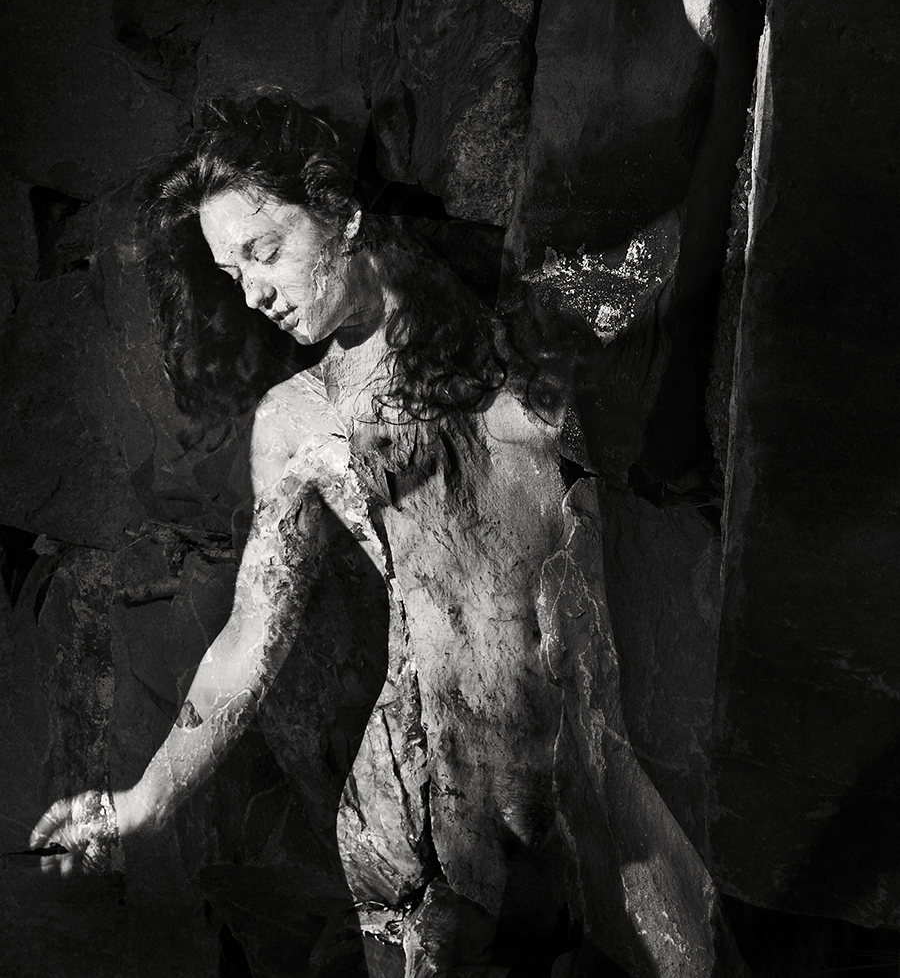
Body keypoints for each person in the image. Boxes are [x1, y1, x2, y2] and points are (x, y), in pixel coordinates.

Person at [29, 95, 572, 967]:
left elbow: (628, 318)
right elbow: (251, 634)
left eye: (263, 251)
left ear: (341, 211)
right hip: (426, 815)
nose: (253, 293)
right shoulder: (297, 419)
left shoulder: (499, 281)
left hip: (574, 766)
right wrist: (145, 800)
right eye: (231, 271)